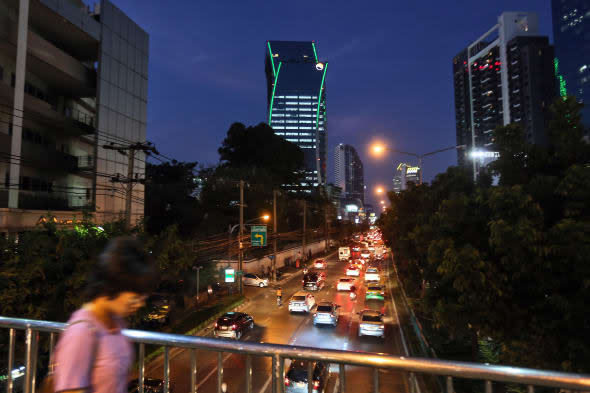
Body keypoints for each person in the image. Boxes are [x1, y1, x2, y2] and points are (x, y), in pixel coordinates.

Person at [52, 237, 156, 393]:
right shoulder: (82, 332)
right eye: (136, 296)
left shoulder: (116, 323)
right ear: (113, 285)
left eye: (143, 297)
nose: (140, 303)